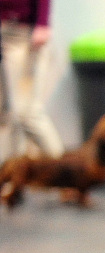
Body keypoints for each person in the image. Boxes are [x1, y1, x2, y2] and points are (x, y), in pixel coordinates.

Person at [0, 0, 63, 162]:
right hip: (5, 31)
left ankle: (66, 172)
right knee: (4, 116)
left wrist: (42, 23)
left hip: (23, 36)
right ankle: (9, 179)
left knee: (27, 113)